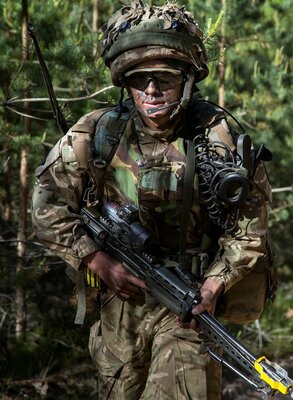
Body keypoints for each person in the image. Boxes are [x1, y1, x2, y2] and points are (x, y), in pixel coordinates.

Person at [31, 2, 271, 399]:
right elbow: (46, 204)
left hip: (190, 309)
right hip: (119, 310)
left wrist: (213, 286)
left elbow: (250, 230)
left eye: (165, 77)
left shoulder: (220, 140)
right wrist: (96, 259)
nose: (152, 90)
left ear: (188, 79)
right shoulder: (98, 134)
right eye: (139, 79)